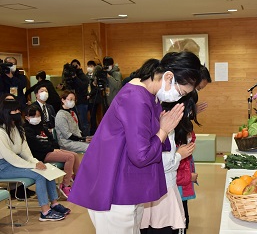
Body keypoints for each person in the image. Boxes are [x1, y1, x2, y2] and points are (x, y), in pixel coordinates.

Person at [69, 51, 202, 234]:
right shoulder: (136, 97)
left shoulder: (148, 94)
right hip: (114, 186)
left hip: (126, 182)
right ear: (168, 76)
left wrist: (162, 129)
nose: (178, 98)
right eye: (181, 92)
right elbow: (141, 155)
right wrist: (163, 130)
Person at [0, 99, 71, 221]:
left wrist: (36, 162)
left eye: (18, 109)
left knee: (47, 169)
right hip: (4, 166)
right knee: (39, 175)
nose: (18, 112)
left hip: (17, 161)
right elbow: (10, 157)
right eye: (15, 110)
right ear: (6, 112)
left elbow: (25, 152)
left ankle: (54, 203)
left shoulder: (18, 129)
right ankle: (45, 211)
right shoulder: (1, 132)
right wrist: (31, 166)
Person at [140, 108, 196, 233]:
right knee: (160, 225)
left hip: (161, 190)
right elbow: (163, 163)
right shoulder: (164, 128)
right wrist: (179, 156)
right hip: (162, 190)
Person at [163, 91, 201, 234]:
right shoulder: (170, 131)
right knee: (177, 223)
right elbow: (167, 166)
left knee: (182, 219)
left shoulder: (182, 125)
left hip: (178, 186)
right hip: (173, 188)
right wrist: (188, 177)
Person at [24, 105, 80, 198]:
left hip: (50, 150)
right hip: (41, 154)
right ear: (26, 117)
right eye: (33, 116)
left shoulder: (42, 127)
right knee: (70, 157)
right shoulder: (27, 130)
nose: (36, 118)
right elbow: (36, 146)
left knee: (74, 154)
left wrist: (55, 148)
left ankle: (79, 180)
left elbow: (52, 140)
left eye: (38, 116)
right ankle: (65, 185)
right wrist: (52, 149)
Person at [58, 60, 90, 136]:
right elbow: (70, 89)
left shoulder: (83, 76)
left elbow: (83, 86)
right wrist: (63, 88)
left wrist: (75, 77)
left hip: (81, 102)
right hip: (71, 103)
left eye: (75, 66)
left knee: (83, 122)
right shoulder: (70, 78)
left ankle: (86, 137)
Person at [86, 61, 102, 135]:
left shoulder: (96, 77)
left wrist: (90, 95)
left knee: (94, 116)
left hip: (94, 99)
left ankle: (94, 131)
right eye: (88, 66)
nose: (89, 68)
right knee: (88, 116)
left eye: (91, 66)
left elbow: (97, 89)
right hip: (86, 99)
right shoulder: (85, 76)